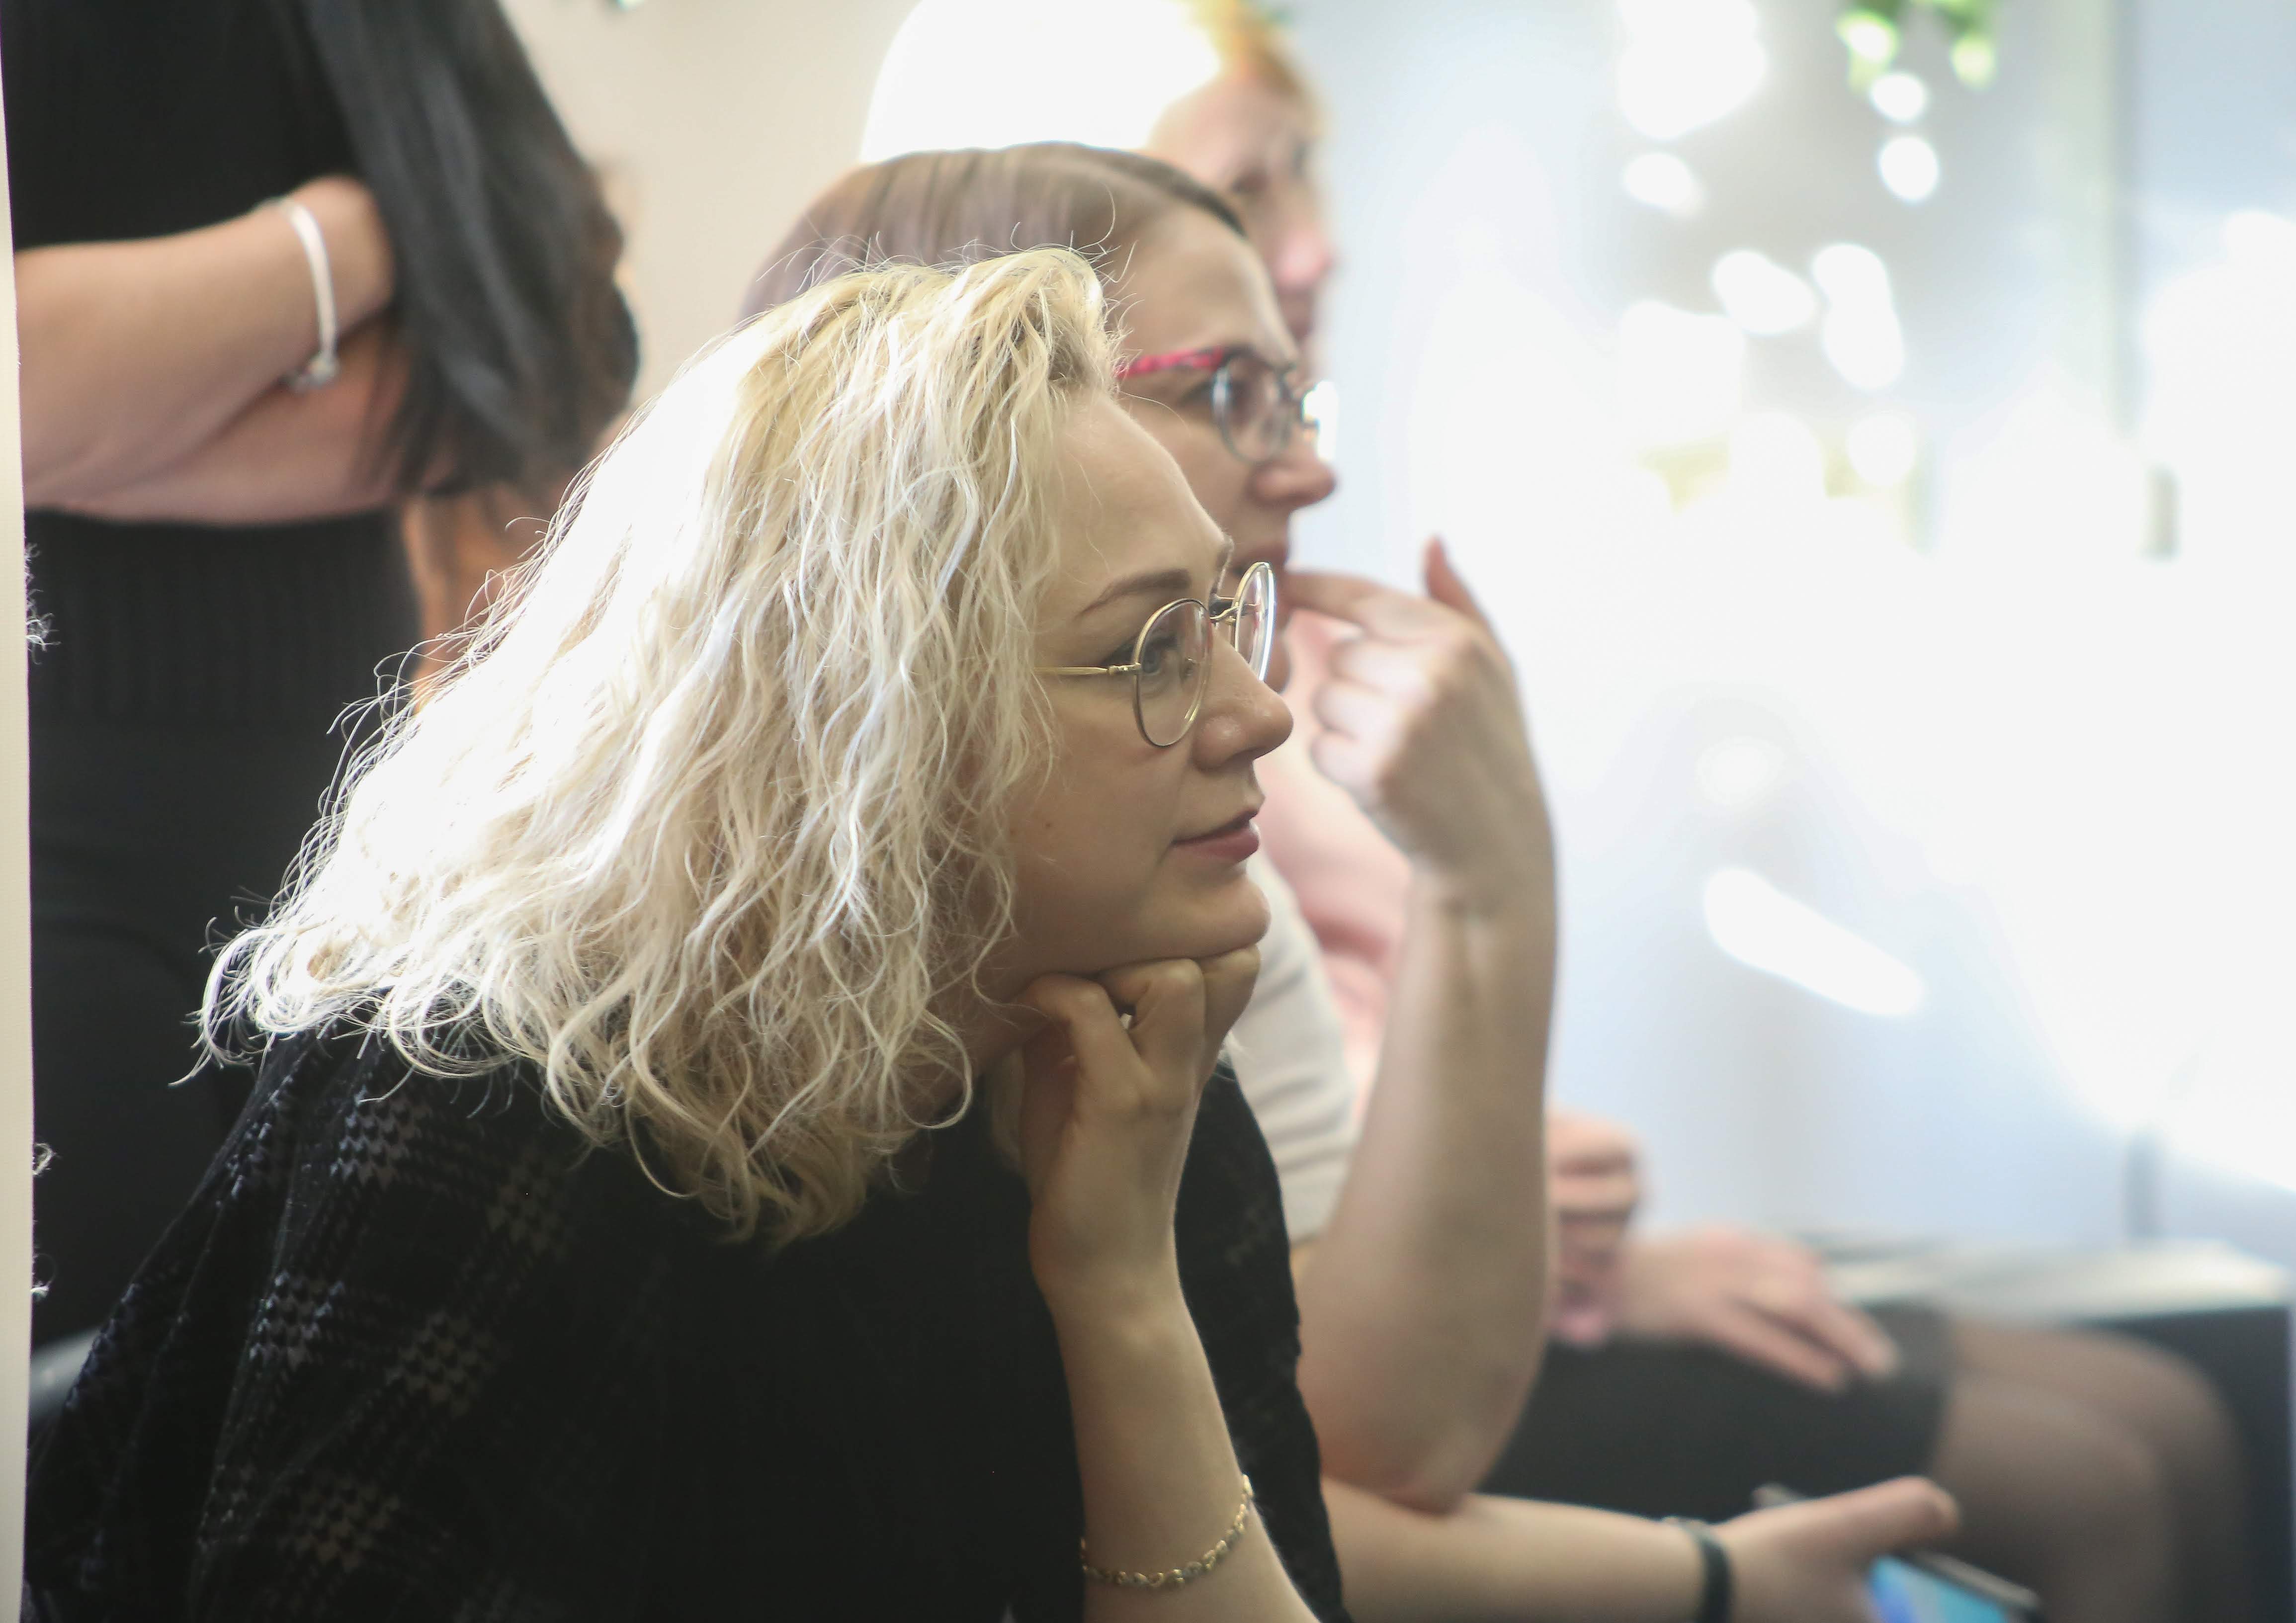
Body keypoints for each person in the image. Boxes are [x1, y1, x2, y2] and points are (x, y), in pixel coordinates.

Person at [26, 250, 1346, 1623]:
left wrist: (1121, 1291)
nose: (1259, 715)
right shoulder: (486, 1105)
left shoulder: (1131, 1087)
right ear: (866, 725)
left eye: (1224, 618)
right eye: (1152, 651)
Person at [1140, 14, 2254, 1623]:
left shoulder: (1286, 636)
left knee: (2175, 1418)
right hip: (1425, 1333)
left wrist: (1559, 1218)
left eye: (1306, 172)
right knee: (2102, 1476)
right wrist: (1572, 1238)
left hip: (1489, 1283)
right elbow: (1318, 1329)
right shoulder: (1157, 732)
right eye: (1252, 189)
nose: (1317, 241)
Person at [756, 142, 1960, 1623]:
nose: (1311, 467)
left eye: (1294, 391)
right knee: (2086, 1466)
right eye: (1229, 390)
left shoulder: (1189, 903)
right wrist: (1702, 1580)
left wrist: (1491, 876)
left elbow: (1274, 1464)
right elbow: (1352, 1458)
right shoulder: (640, 1101)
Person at [5, 0, 638, 1344]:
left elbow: (564, 338)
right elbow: (23, 385)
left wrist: (92, 422)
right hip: (36, 848)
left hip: (346, 839)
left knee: (316, 1366)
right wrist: (361, 231)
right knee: (78, 1388)